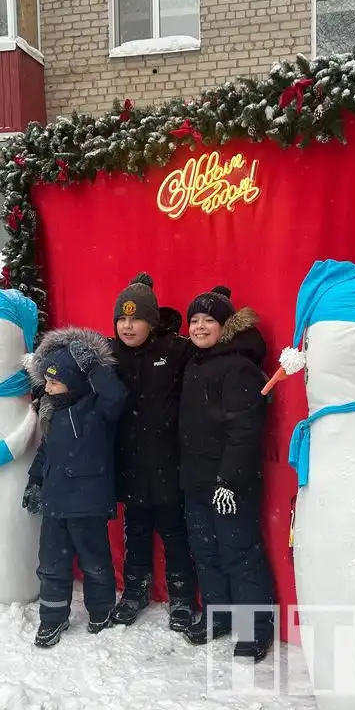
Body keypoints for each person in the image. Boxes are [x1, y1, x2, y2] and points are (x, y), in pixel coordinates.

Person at [178, 286, 275, 661]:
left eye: (209, 320)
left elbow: (245, 428)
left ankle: (255, 628)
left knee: (239, 553)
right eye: (195, 320)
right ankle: (218, 616)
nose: (200, 327)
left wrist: (229, 480)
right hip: (196, 479)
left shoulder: (239, 366)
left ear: (226, 326)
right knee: (205, 551)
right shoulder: (194, 362)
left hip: (230, 483)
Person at [22, 327, 128, 648]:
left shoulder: (97, 411)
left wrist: (92, 365)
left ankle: (101, 610)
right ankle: (52, 618)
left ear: (74, 381)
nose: (47, 388)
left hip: (87, 504)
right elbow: (46, 452)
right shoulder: (52, 412)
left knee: (95, 562)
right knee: (51, 563)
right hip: (55, 503)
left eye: (54, 382)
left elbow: (116, 395)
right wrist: (35, 481)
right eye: (46, 381)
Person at [109, 273, 199, 631]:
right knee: (136, 530)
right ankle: (135, 591)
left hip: (168, 461)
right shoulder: (108, 353)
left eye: (136, 319)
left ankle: (182, 598)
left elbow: (213, 357)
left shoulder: (175, 350)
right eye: (122, 318)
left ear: (152, 321)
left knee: (175, 533)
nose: (127, 326)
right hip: (129, 462)